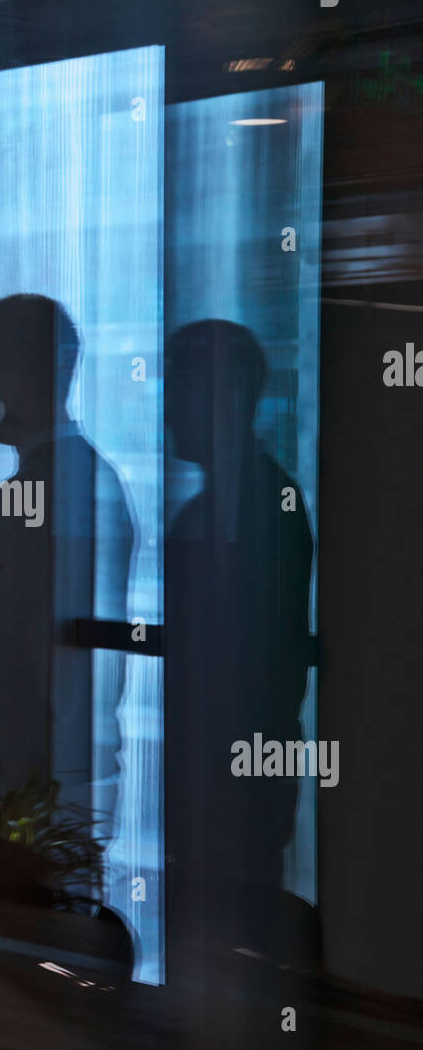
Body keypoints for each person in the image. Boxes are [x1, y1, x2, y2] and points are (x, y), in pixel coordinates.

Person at [0, 294, 137, 880]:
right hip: (44, 784)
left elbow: (26, 660)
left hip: (36, 790)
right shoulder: (81, 481)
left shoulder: (48, 491)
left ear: (41, 372)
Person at [164, 319, 314, 966]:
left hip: (232, 784)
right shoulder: (231, 504)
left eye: (179, 390)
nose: (167, 409)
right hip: (226, 779)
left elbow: (260, 665)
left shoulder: (257, 503)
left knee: (230, 951)